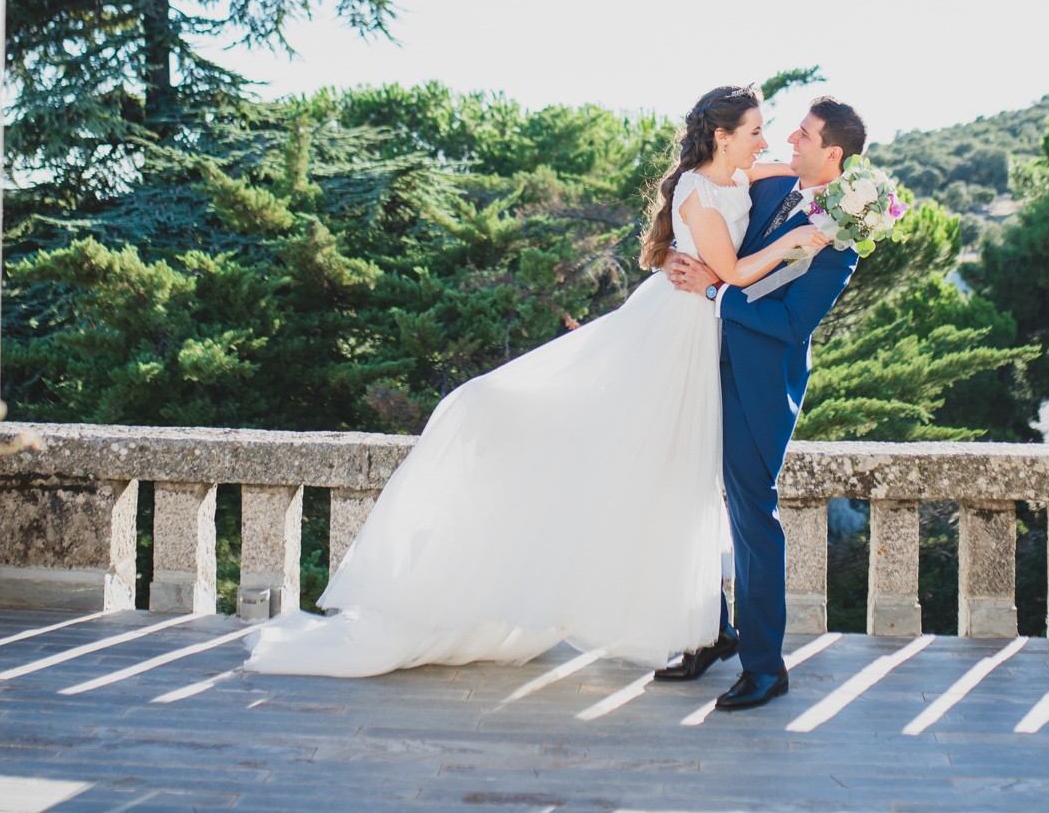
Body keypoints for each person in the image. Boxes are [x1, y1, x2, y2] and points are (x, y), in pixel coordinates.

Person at [242, 84, 829, 678]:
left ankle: (708, 630)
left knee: (681, 480)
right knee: (636, 468)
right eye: (756, 130)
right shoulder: (698, 190)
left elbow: (809, 171)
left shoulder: (743, 174)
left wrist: (856, 190)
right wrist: (790, 242)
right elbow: (725, 274)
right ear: (723, 136)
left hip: (702, 337)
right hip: (673, 330)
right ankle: (703, 630)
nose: (769, 140)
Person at [655, 97, 866, 711]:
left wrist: (716, 292)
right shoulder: (774, 190)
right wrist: (679, 257)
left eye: (803, 135)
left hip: (760, 383)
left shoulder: (841, 239)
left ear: (834, 153)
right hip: (699, 361)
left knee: (752, 516)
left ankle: (767, 667)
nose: (788, 142)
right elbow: (712, 224)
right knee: (688, 493)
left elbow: (792, 320)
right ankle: (709, 632)